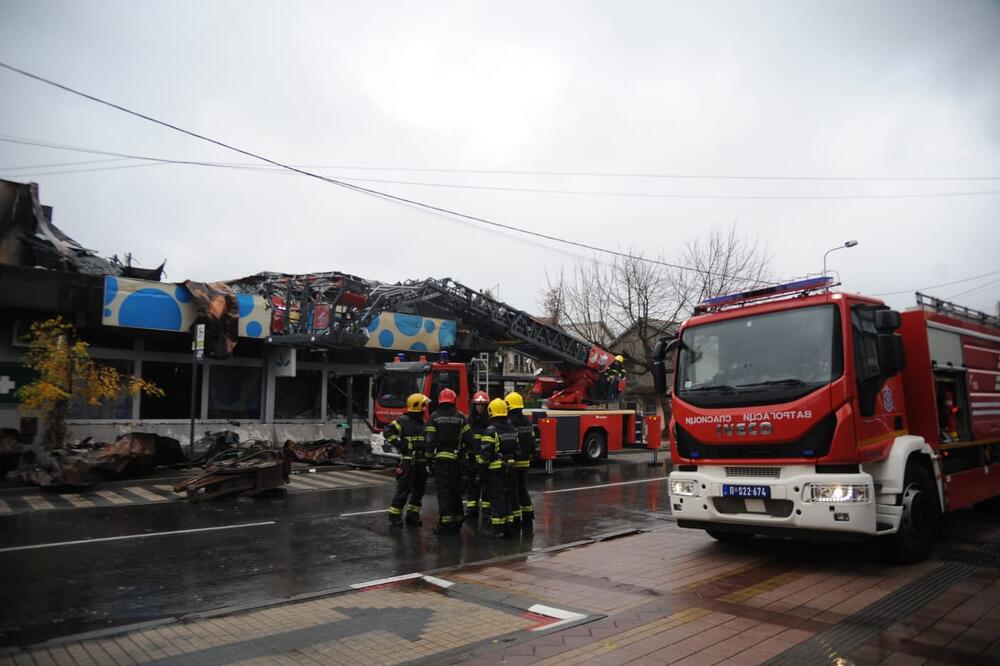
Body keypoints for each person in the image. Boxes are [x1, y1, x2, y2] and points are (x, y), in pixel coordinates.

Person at [426, 388, 469, 535]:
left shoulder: (434, 417)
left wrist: (428, 461)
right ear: (453, 401)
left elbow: (430, 441)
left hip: (441, 461)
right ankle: (458, 520)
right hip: (457, 461)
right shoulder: (461, 417)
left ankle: (445, 523)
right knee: (455, 491)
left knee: (443, 492)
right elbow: (469, 440)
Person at [386, 393, 429, 527]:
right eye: (423, 405)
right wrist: (399, 444)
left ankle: (412, 515)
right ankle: (395, 516)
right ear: (417, 406)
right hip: (408, 462)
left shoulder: (422, 422)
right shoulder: (403, 420)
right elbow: (388, 431)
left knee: (419, 490)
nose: (425, 408)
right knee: (403, 490)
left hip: (421, 463)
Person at [480, 398, 519, 538]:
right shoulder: (512, 427)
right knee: (507, 496)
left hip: (495, 470)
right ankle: (508, 527)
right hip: (510, 468)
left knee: (496, 499)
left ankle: (498, 529)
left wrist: (480, 471)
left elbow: (485, 454)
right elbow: (517, 450)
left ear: (491, 411)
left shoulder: (491, 430)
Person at [505, 391, 535, 533]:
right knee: (523, 490)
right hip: (525, 462)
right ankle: (528, 519)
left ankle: (516, 522)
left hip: (514, 463)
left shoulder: (509, 422)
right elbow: (533, 442)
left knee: (513, 492)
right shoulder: (528, 422)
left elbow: (509, 442)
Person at [464, 391, 491, 519]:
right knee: (472, 485)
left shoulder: (489, 422)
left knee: (486, 486)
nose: (480, 407)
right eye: (477, 405)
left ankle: (486, 511)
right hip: (472, 459)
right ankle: (471, 509)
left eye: (482, 405)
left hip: (486, 460)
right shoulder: (468, 421)